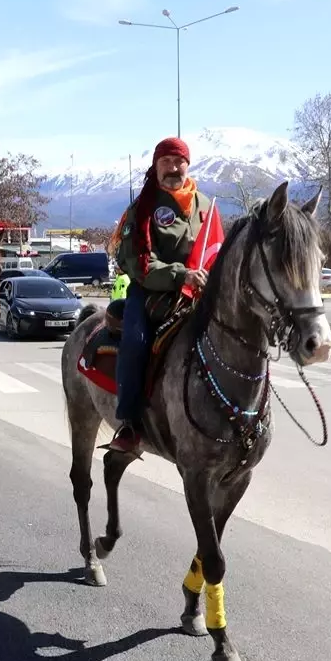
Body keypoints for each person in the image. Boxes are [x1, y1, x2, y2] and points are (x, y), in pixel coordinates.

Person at [107, 137, 218, 455]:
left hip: (200, 293)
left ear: (188, 164)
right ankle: (128, 422)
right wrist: (180, 275)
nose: (173, 167)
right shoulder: (141, 209)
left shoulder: (207, 208)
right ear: (155, 167)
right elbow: (136, 263)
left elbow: (216, 250)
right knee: (136, 341)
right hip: (151, 293)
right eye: (165, 161)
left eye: (178, 161)